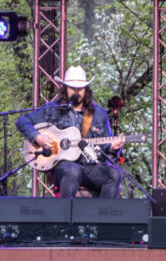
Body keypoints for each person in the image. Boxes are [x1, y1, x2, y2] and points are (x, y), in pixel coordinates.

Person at [16, 66, 123, 198]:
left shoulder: (99, 113)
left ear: (86, 89)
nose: (76, 91)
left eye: (80, 88)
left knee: (114, 174)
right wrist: (37, 137)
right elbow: (22, 121)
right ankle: (65, 216)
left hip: (90, 167)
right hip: (63, 167)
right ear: (65, 88)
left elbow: (106, 147)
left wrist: (113, 147)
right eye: (72, 88)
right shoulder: (52, 109)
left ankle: (101, 216)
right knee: (73, 171)